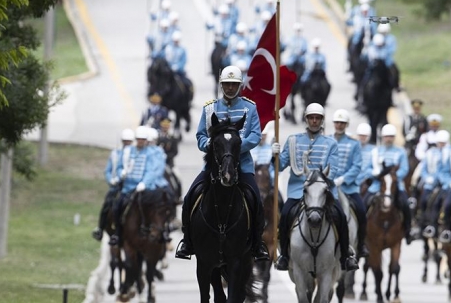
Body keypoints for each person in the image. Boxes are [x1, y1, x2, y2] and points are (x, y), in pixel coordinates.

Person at [175, 65, 271, 262]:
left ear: (240, 85)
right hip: (213, 166)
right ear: (221, 85)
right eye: (226, 84)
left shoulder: (249, 107)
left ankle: (257, 242)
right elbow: (201, 135)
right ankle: (187, 241)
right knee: (189, 197)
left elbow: (254, 135)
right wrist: (212, 146)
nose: (229, 88)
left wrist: (234, 148)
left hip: (241, 165)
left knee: (256, 202)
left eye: (233, 85)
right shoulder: (210, 107)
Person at [271, 103, 358, 271]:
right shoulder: (293, 140)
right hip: (298, 191)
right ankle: (284, 256)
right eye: (311, 118)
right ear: (306, 119)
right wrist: (274, 154)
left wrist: (316, 181)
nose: (314, 121)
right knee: (286, 214)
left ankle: (346, 255)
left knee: (340, 214)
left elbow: (332, 171)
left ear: (322, 121)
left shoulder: (330, 143)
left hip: (323, 192)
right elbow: (280, 166)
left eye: (317, 118)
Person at [111, 126, 170, 245]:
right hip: (128, 188)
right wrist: (121, 173)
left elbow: (151, 171)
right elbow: (119, 166)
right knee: (117, 207)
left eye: (143, 139)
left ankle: (163, 230)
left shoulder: (150, 153)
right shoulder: (128, 151)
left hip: (144, 188)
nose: (140, 141)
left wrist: (144, 183)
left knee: (158, 208)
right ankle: (117, 233)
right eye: (138, 139)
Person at [328, 109, 369, 258]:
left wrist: (343, 179)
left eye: (342, 123)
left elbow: (357, 166)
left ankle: (361, 245)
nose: (339, 125)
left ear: (346, 125)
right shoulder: (326, 141)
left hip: (348, 188)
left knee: (362, 212)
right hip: (328, 187)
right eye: (337, 122)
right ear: (333, 124)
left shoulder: (354, 144)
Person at [369, 124, 415, 244]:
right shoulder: (376, 151)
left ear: (394, 138)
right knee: (364, 204)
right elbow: (367, 168)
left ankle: (408, 230)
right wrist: (375, 173)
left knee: (405, 204)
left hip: (395, 186)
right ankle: (362, 232)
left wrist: (393, 178)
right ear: (382, 137)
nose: (388, 139)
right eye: (386, 136)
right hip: (377, 185)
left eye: (390, 136)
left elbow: (404, 169)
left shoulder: (400, 152)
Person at [92, 128, 136, 242]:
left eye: (129, 141)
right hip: (117, 185)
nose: (127, 143)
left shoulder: (135, 153)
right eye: (125, 141)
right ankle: (100, 228)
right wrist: (111, 180)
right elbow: (108, 170)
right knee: (108, 203)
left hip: (131, 185)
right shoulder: (115, 153)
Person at [419, 129, 450, 238]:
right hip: (430, 184)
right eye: (440, 143)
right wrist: (427, 178)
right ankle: (423, 223)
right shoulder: (430, 153)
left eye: (443, 143)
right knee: (424, 200)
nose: (441, 145)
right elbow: (423, 169)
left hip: (445, 185)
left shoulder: (449, 153)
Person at [355, 123, 376, 189]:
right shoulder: (353, 148)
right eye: (361, 135)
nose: (363, 138)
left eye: (365, 136)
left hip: (368, 181)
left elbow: (374, 167)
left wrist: (368, 175)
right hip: (353, 180)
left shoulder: (374, 149)